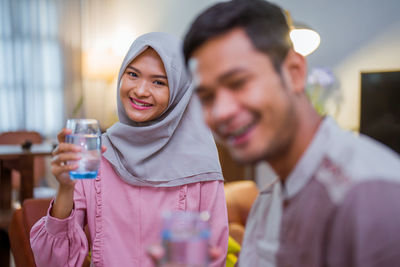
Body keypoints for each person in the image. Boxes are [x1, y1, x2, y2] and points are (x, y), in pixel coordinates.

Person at [182, 0, 400, 266]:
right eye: (207, 97)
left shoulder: (371, 197)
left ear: (295, 72)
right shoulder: (267, 201)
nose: (221, 112)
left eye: (238, 83)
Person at [30, 32, 228, 267]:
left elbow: (211, 259)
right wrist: (65, 188)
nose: (141, 90)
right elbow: (54, 262)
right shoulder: (98, 155)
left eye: (159, 82)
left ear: (179, 92)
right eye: (133, 74)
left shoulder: (199, 164)